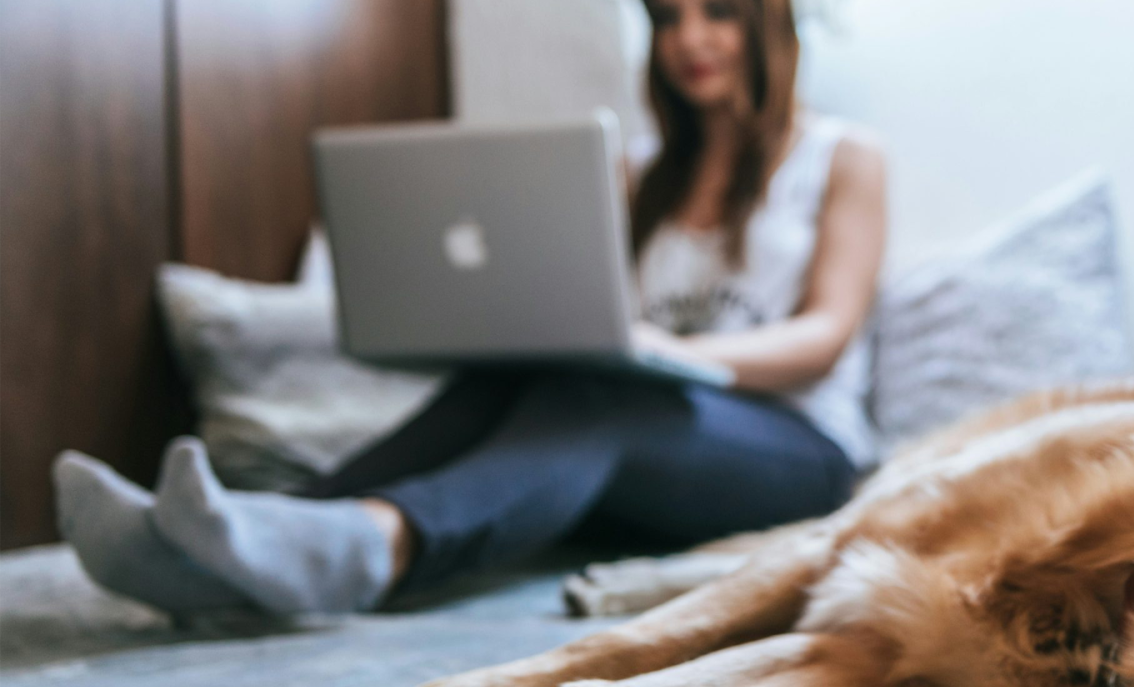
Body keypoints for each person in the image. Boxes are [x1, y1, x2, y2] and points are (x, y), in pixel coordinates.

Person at [52, 0, 886, 617]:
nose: (690, 39)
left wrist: (678, 353)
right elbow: (588, 308)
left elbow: (827, 334)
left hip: (796, 451)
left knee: (602, 398)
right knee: (533, 378)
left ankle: (372, 545)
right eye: (668, 17)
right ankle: (248, 536)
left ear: (769, 23)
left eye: (719, 14)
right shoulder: (635, 171)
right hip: (648, 421)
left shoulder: (842, 156)